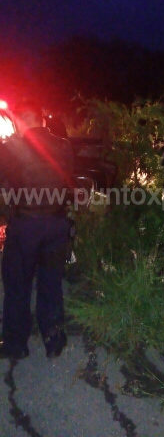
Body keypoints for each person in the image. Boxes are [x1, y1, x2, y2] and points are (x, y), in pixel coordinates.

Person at [0, 99, 74, 359]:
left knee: (17, 284)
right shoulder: (65, 147)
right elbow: (71, 184)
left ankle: (15, 343)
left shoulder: (10, 149)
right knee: (51, 282)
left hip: (25, 227)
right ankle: (53, 339)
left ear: (19, 123)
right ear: (43, 120)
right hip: (56, 225)